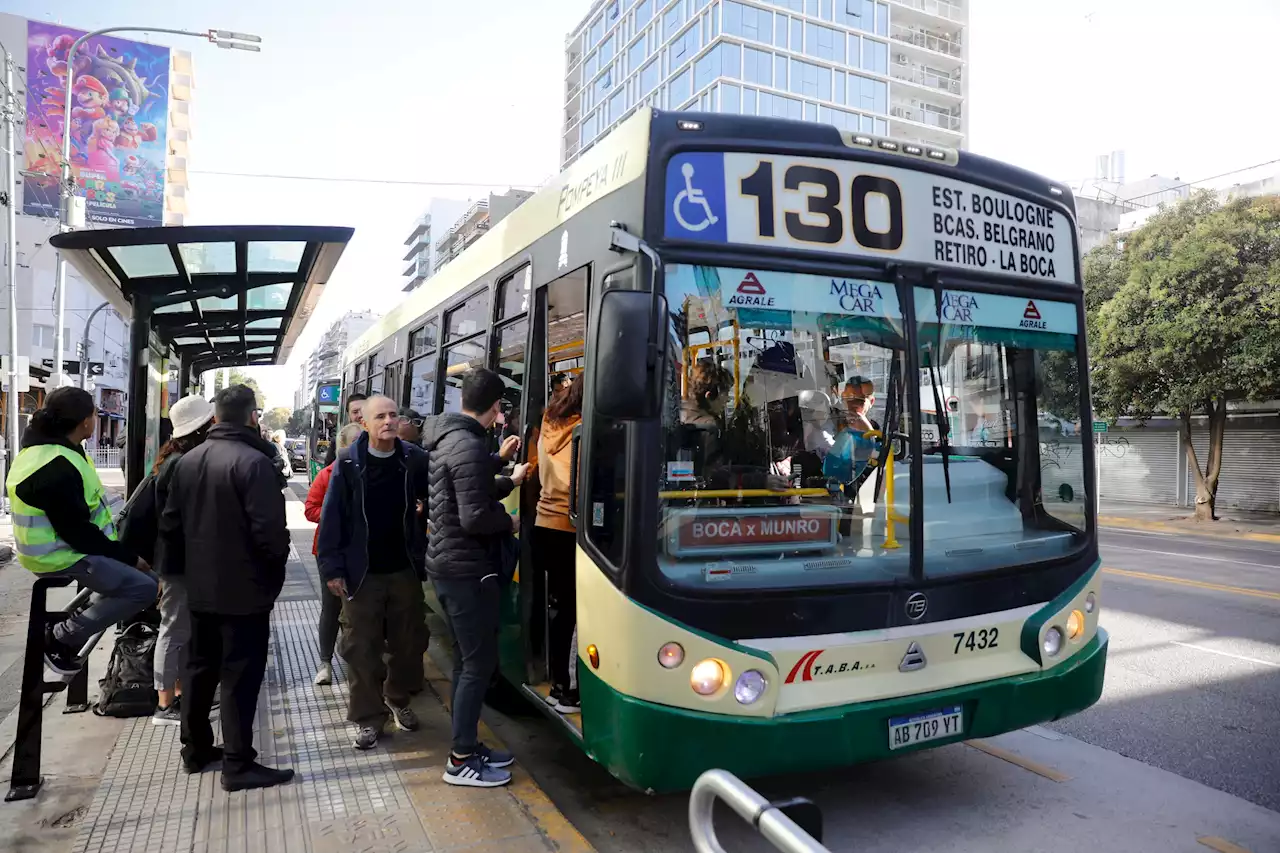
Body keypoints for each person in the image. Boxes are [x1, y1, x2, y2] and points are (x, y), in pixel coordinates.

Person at [159, 385, 293, 792]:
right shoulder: (255, 464)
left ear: (215, 417)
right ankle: (238, 764)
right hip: (245, 592)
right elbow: (272, 535)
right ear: (253, 416)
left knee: (199, 670)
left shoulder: (187, 461)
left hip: (199, 589)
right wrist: (272, 578)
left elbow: (170, 527)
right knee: (239, 676)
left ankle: (196, 749)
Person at [5, 387, 157, 679]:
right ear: (85, 421)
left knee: (147, 580)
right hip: (60, 555)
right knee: (144, 587)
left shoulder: (52, 450)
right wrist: (129, 557)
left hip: (62, 548)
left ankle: (77, 624)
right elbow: (78, 533)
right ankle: (60, 637)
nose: (97, 418)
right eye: (94, 413)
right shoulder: (56, 465)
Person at [423, 368, 528, 787]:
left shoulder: (451, 437)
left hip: (451, 565)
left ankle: (469, 746)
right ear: (497, 407)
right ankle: (461, 759)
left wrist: (502, 469)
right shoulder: (466, 443)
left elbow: (468, 488)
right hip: (467, 570)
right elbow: (474, 516)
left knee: (470, 662)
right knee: (475, 665)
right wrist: (512, 522)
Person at [318, 396, 431, 751]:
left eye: (393, 415)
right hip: (361, 573)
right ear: (364, 424)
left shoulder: (414, 459)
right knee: (360, 648)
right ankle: (368, 718)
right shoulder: (348, 462)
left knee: (408, 644)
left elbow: (438, 494)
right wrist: (332, 569)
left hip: (404, 569)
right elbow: (332, 517)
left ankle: (397, 699)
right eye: (380, 416)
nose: (389, 421)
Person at [150, 395, 215, 725]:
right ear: (202, 427)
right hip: (179, 561)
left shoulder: (175, 458)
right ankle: (164, 705)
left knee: (178, 627)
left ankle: (176, 693)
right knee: (173, 628)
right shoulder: (182, 464)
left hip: (176, 558)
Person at [532, 373, 584, 714]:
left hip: (544, 522)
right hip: (571, 524)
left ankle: (558, 685)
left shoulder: (550, 421)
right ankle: (566, 689)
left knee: (562, 606)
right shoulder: (583, 429)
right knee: (576, 609)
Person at [304, 422, 363, 687]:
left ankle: (358, 663)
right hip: (329, 551)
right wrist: (335, 518)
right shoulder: (328, 475)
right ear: (344, 447)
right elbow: (310, 509)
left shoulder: (372, 473)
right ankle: (325, 661)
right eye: (357, 443)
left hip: (362, 552)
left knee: (360, 609)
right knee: (332, 607)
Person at [325, 393, 367, 466]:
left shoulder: (382, 438)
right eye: (355, 412)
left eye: (364, 410)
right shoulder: (338, 441)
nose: (360, 415)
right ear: (349, 416)